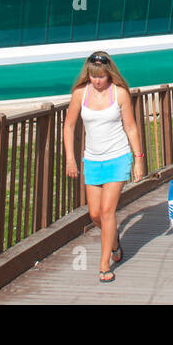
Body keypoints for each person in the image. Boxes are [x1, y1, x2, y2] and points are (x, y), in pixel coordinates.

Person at [64, 50, 145, 283]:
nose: (97, 81)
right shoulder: (80, 93)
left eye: (101, 76)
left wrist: (138, 159)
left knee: (108, 211)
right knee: (95, 214)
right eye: (93, 76)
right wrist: (70, 158)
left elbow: (130, 127)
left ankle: (103, 263)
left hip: (118, 157)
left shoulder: (119, 93)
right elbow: (69, 126)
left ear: (109, 74)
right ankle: (115, 240)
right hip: (92, 160)